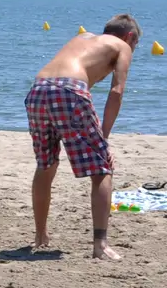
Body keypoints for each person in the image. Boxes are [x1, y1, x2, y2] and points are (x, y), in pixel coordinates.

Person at [27, 14, 140, 261]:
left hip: (38, 89)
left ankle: (40, 235)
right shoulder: (122, 45)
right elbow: (117, 91)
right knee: (102, 169)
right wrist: (104, 138)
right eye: (135, 44)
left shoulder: (82, 37)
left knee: (45, 164)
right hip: (70, 90)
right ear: (129, 36)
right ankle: (100, 244)